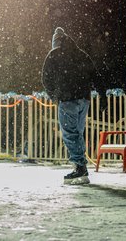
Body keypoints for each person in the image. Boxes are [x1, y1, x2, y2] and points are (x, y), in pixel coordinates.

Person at [41, 27, 104, 185]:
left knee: (70, 134)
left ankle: (79, 168)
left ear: (56, 42)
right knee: (78, 133)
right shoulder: (82, 54)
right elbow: (95, 75)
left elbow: (46, 78)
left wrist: (55, 96)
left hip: (67, 99)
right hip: (84, 98)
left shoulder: (54, 54)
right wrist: (102, 95)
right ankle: (81, 166)